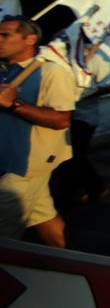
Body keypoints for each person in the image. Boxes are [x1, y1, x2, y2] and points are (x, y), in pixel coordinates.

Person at [0, 15, 75, 247]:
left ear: (30, 39)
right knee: (43, 217)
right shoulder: (5, 70)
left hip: (27, 165)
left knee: (4, 232)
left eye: (5, 35)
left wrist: (15, 104)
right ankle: (69, 267)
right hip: (8, 159)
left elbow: (62, 119)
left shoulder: (53, 72)